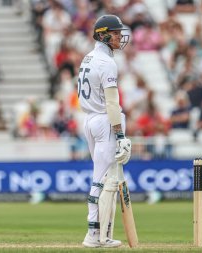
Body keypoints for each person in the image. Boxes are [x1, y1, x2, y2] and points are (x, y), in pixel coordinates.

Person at [78, 15, 131, 248]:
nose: (120, 36)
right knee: (102, 179)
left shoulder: (88, 57)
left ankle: (99, 233)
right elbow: (111, 103)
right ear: (102, 35)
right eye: (115, 33)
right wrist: (119, 134)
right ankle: (94, 235)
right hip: (104, 121)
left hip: (89, 120)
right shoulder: (107, 63)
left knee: (101, 177)